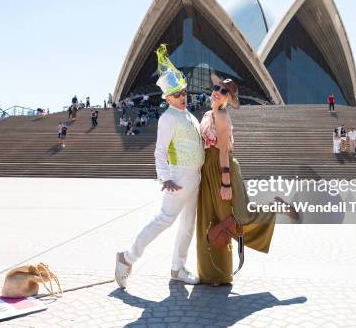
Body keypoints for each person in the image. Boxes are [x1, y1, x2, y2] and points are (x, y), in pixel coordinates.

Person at [115, 44, 204, 288]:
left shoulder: (190, 116)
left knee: (188, 224)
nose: (182, 97)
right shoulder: (168, 118)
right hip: (178, 177)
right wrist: (165, 178)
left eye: (184, 92)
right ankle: (127, 257)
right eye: (177, 94)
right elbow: (160, 151)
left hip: (194, 178)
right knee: (164, 220)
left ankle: (178, 267)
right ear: (167, 98)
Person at [196, 74, 298, 286]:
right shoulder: (207, 113)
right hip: (207, 168)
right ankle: (211, 273)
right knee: (211, 217)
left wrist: (225, 182)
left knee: (236, 215)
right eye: (217, 87)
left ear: (228, 99)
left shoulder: (222, 116)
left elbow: (223, 150)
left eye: (224, 91)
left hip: (222, 167)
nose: (218, 92)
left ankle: (275, 207)